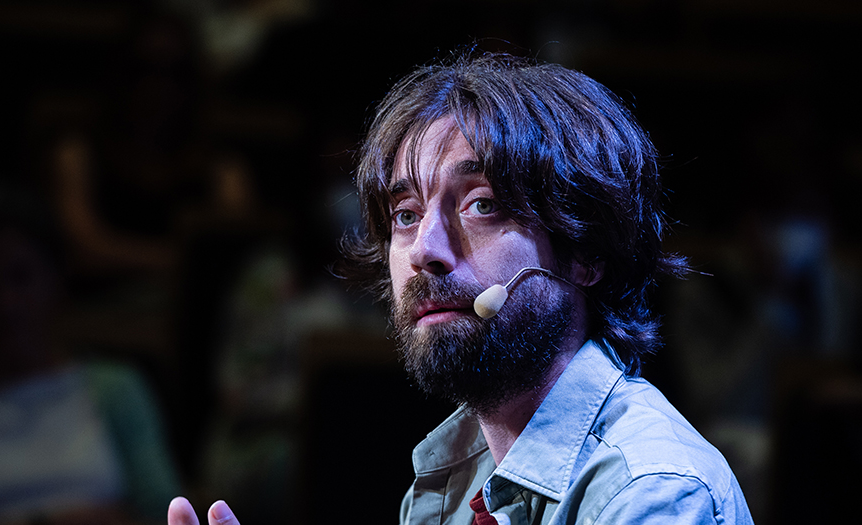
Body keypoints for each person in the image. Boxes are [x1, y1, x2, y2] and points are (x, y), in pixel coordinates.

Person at [168, 52, 753, 525]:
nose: (424, 249)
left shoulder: (653, 492)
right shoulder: (454, 481)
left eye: (481, 204)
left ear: (587, 254)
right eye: (405, 214)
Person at [0, 189, 180, 525]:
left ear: (54, 280)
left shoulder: (117, 389)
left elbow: (165, 511)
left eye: (21, 276)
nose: (4, 303)